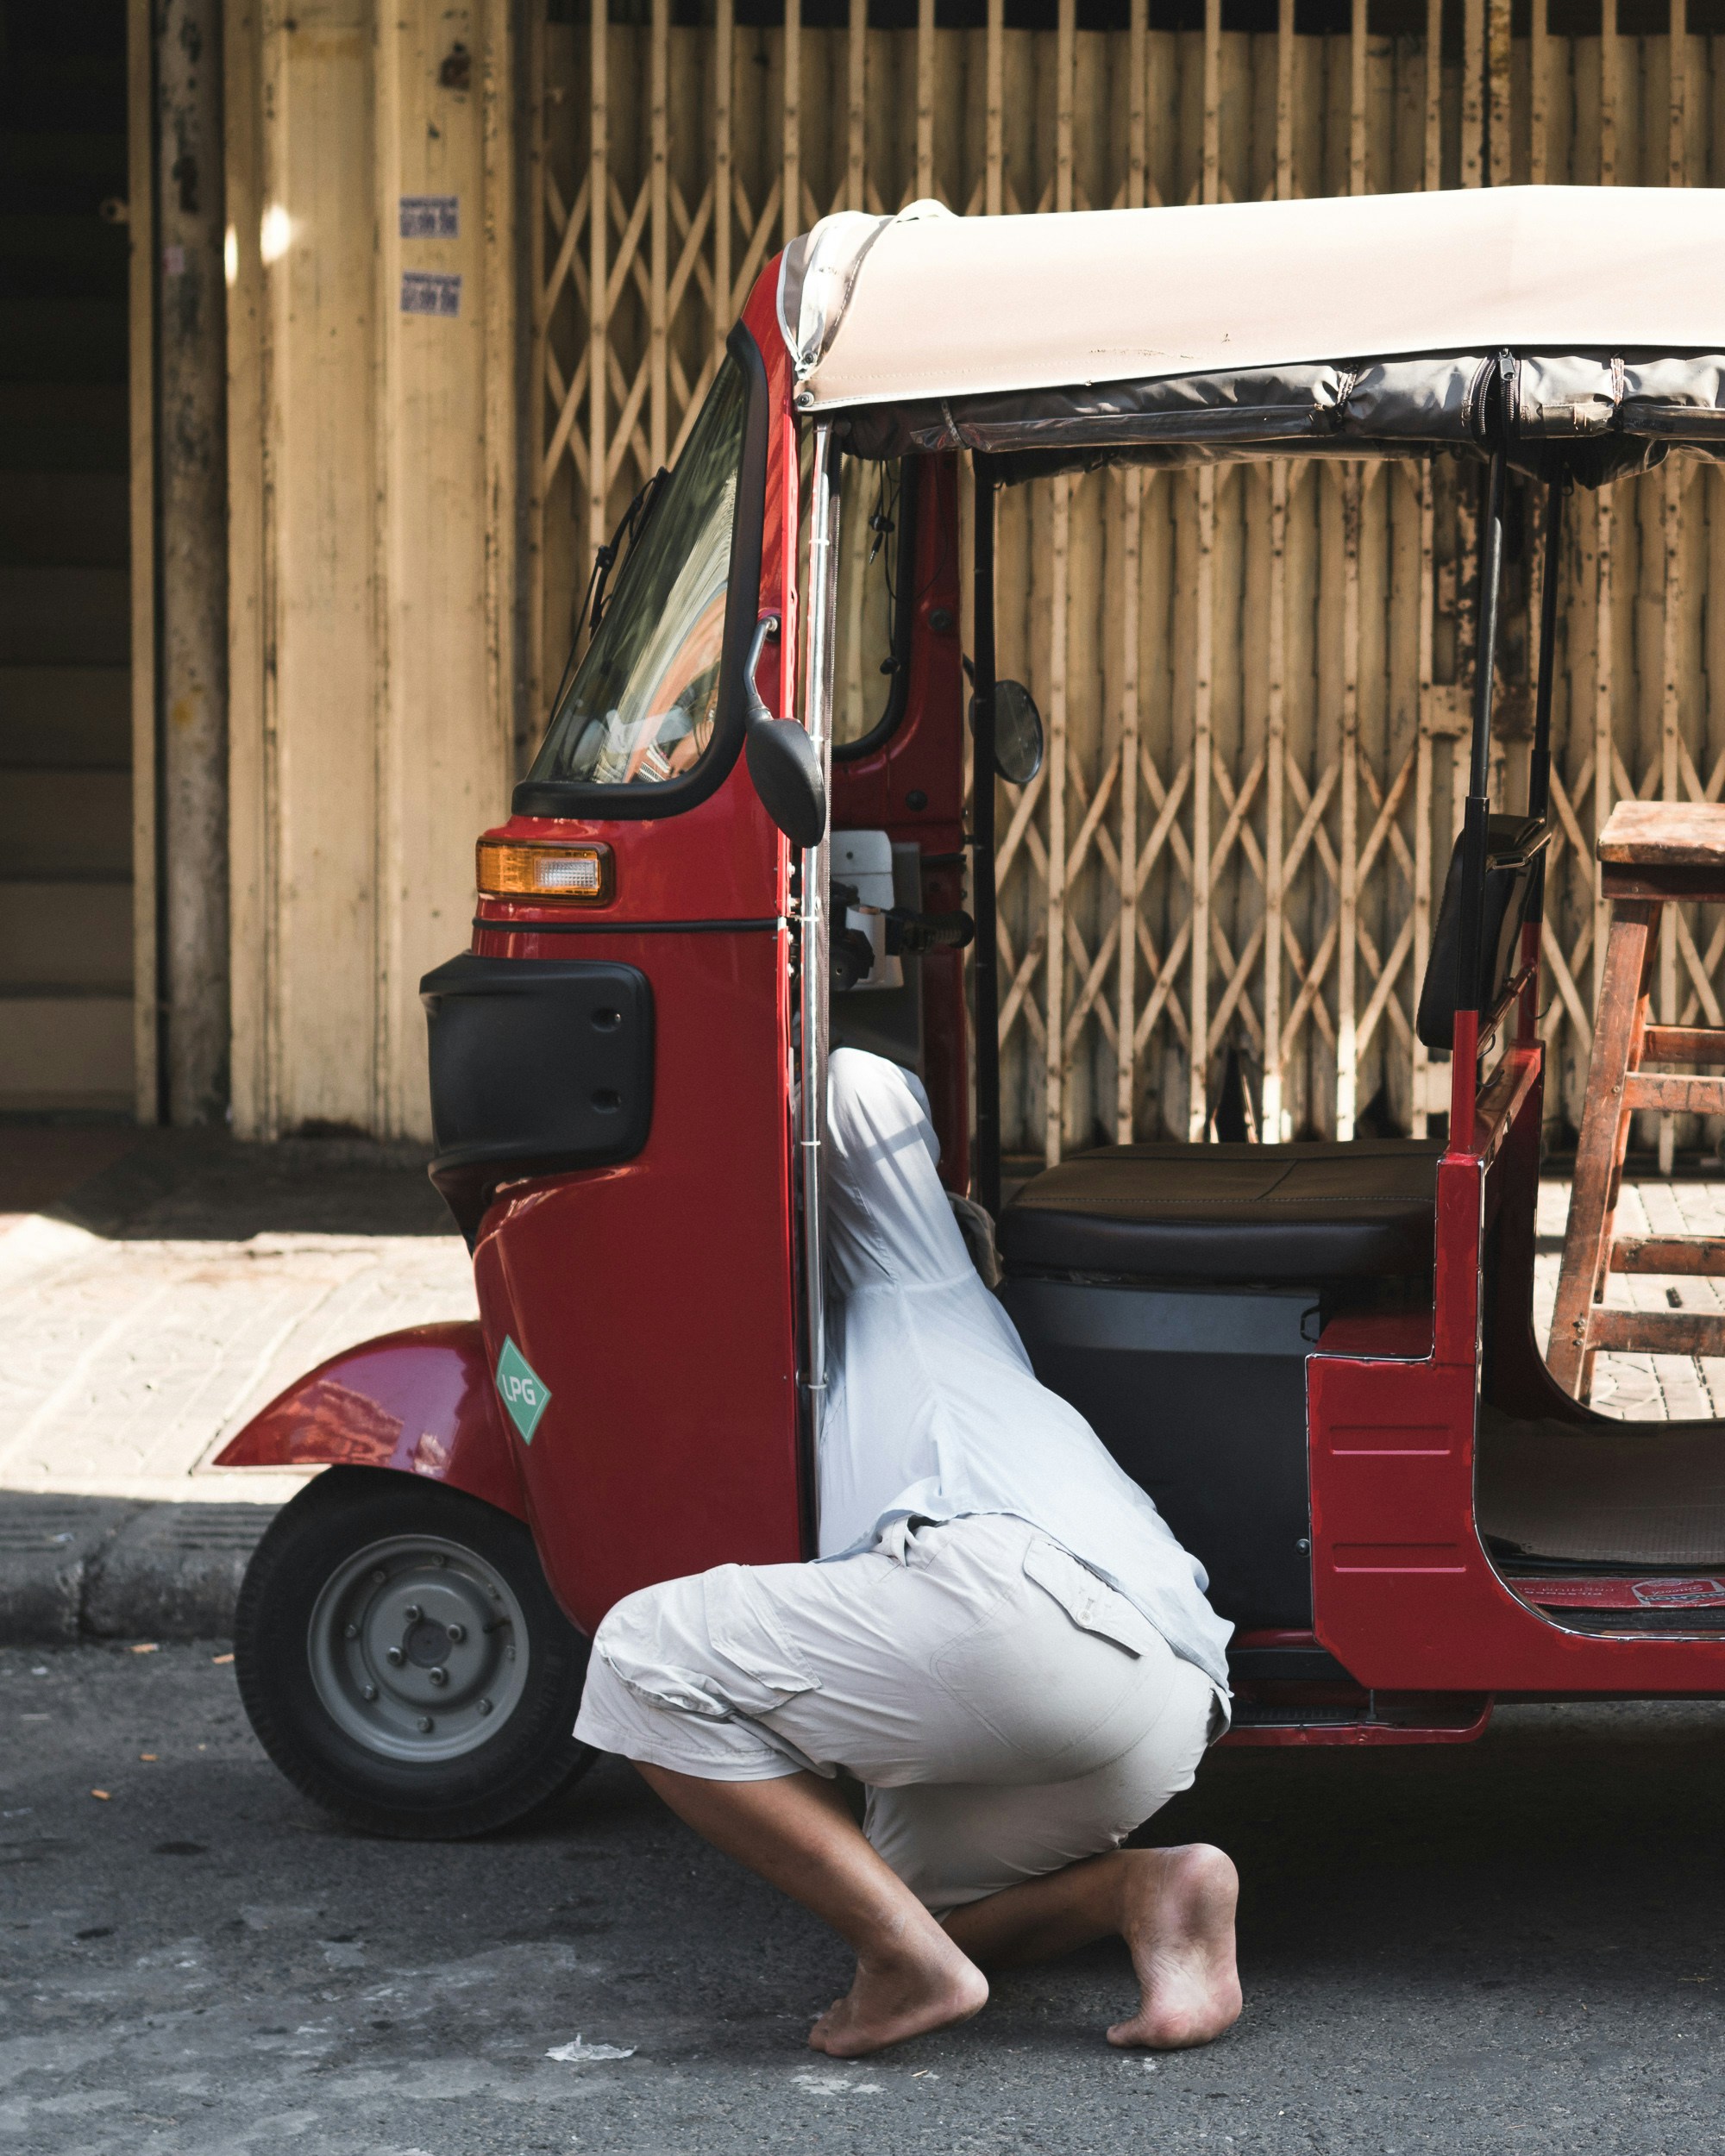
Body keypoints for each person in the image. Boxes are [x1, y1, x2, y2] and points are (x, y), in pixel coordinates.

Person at [574, 1047, 1243, 2058]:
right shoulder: (918, 1362)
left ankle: (907, 1966)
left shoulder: (917, 1285)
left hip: (1012, 1604)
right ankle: (1152, 1888)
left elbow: (852, 1082)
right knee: (893, 1899)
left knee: (637, 1652)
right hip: (1158, 1703)